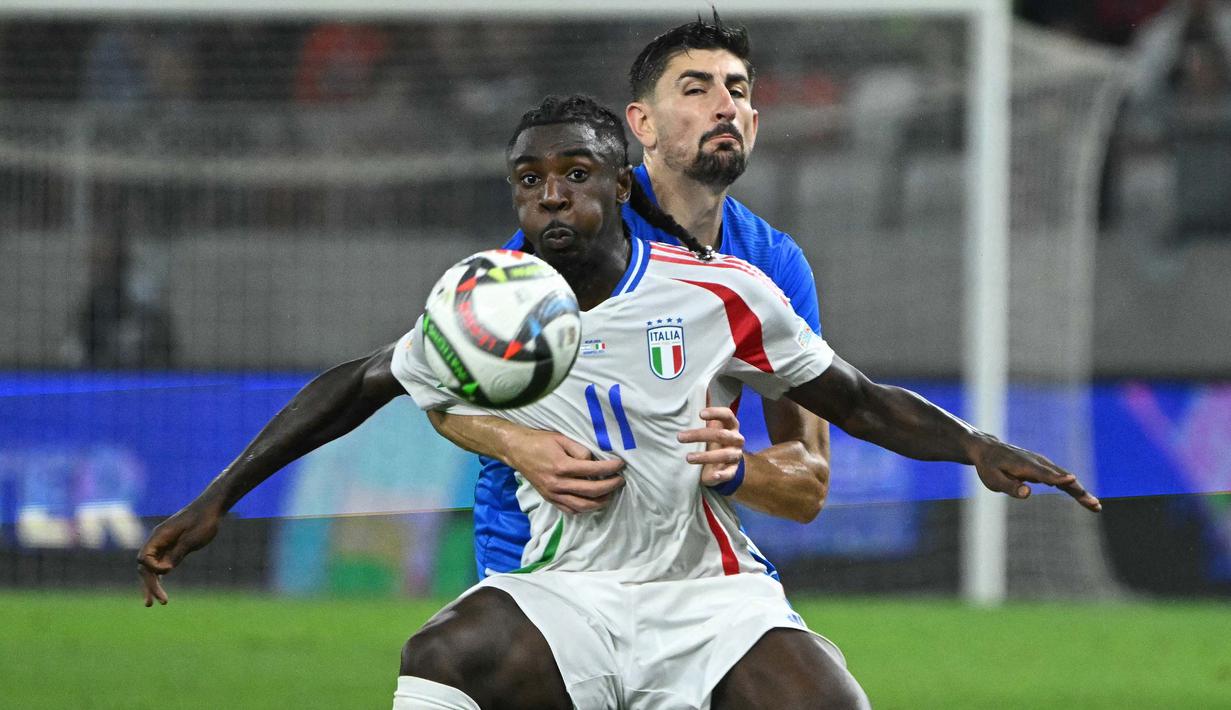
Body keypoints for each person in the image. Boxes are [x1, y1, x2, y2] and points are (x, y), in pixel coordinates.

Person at [139, 94, 1100, 710]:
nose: (551, 197)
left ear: (618, 181)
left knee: (831, 703)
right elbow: (355, 385)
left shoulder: (720, 291)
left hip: (710, 596)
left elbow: (853, 400)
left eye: (573, 175)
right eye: (529, 181)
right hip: (566, 589)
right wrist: (217, 497)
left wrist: (975, 444)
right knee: (438, 658)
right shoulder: (488, 301)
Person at [432, 13, 833, 581]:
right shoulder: (573, 227)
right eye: (696, 89)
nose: (724, 106)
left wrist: (736, 468)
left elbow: (809, 482)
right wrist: (519, 445)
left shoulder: (773, 265)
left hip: (683, 566)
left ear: (754, 122)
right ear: (641, 125)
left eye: (737, 91)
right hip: (539, 557)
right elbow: (442, 394)